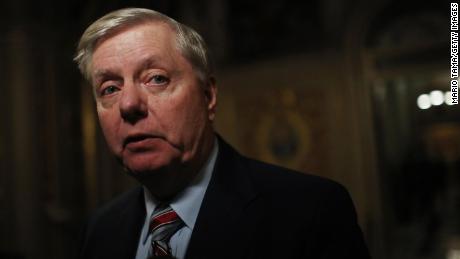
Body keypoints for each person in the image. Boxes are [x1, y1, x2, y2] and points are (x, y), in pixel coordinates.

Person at [74, 7, 370, 259]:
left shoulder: (311, 212)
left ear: (208, 95)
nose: (128, 104)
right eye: (110, 89)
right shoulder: (100, 231)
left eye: (156, 79)